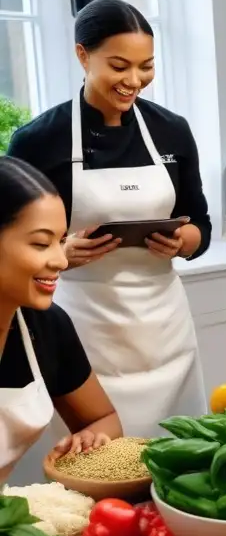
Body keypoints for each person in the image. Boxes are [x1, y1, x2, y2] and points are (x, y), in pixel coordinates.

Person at [7, 0, 210, 438]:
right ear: (83, 54)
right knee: (97, 470)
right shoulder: (38, 140)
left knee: (178, 458)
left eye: (146, 66)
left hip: (165, 328)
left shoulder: (172, 130)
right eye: (119, 66)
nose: (134, 80)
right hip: (82, 327)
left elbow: (201, 223)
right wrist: (62, 252)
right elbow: (9, 247)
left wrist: (186, 239)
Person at [0, 157, 121, 474]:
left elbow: (103, 420)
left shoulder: (47, 325)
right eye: (41, 243)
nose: (61, 260)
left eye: (62, 240)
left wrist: (90, 439)